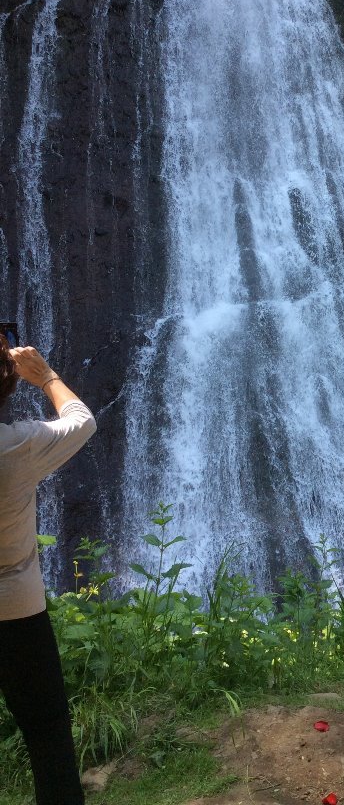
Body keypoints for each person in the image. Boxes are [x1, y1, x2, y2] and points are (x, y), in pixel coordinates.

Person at [0, 337, 96, 805]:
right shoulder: (19, 443)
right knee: (47, 734)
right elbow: (81, 420)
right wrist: (46, 376)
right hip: (18, 612)